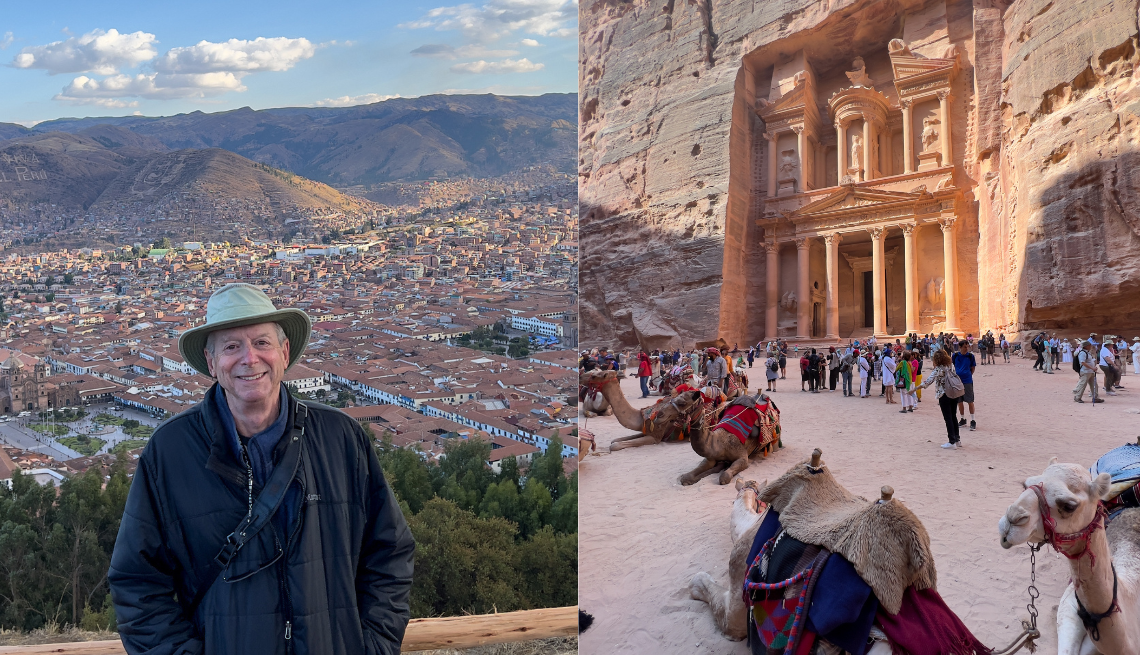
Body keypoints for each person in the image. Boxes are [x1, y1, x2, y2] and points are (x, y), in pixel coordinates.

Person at [108, 283, 415, 654]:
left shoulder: (341, 439)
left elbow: (390, 554)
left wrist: (373, 646)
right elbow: (137, 583)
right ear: (211, 362)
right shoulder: (170, 453)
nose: (249, 358)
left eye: (262, 343)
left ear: (284, 353)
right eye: (232, 346)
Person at [920, 349, 961, 448]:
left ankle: (951, 442)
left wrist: (917, 388)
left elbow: (928, 381)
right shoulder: (950, 366)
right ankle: (957, 439)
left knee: (948, 418)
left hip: (944, 394)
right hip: (953, 392)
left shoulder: (938, 369)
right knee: (953, 416)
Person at [952, 340, 977, 431]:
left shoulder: (970, 356)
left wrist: (967, 375)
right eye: (965, 347)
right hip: (958, 381)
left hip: (967, 381)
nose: (966, 349)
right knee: (959, 401)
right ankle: (962, 419)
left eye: (967, 347)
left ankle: (973, 420)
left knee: (970, 400)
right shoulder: (955, 356)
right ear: (960, 347)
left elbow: (973, 368)